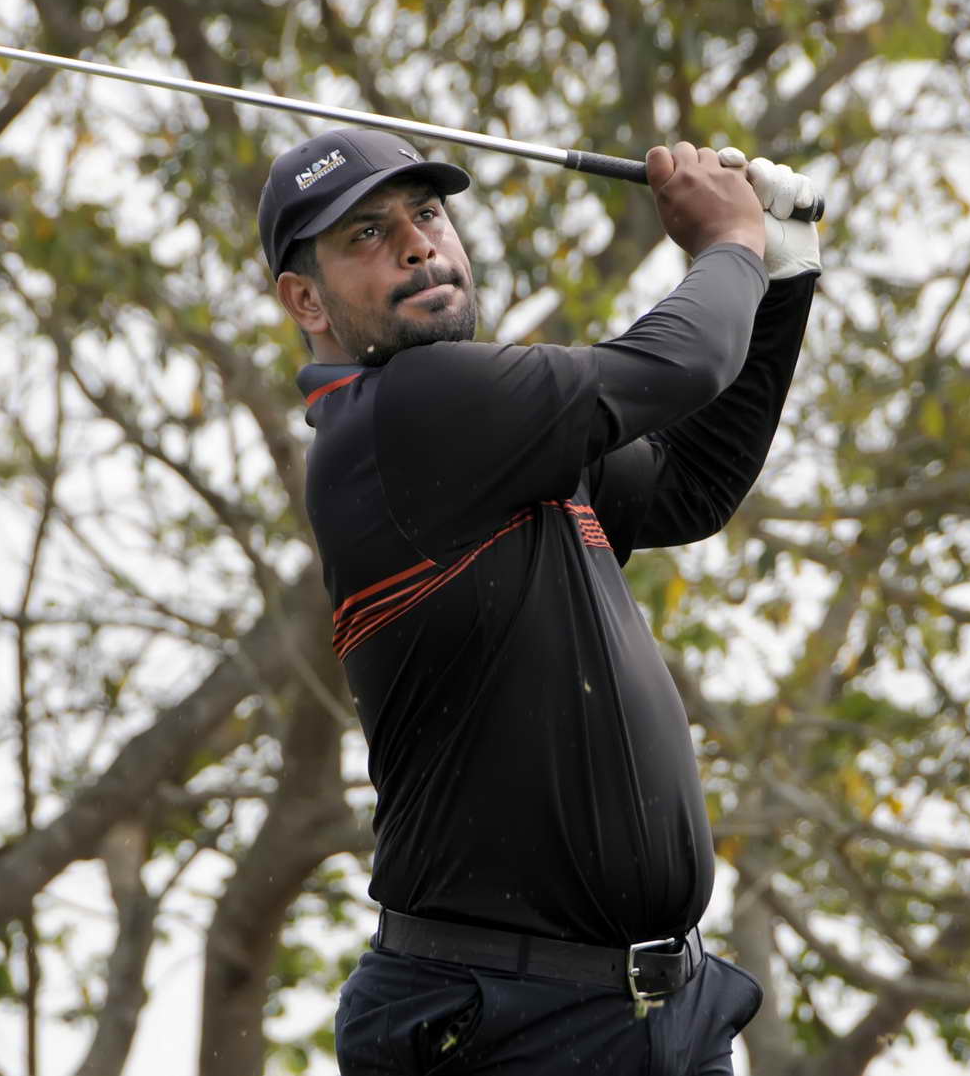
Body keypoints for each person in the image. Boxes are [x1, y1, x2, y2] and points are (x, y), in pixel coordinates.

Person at [257, 125, 820, 1074]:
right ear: (305, 299)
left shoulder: (496, 444)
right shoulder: (401, 412)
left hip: (656, 1013)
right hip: (502, 1021)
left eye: (427, 214)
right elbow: (679, 364)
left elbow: (694, 482)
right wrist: (731, 243)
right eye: (368, 234)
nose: (418, 245)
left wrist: (783, 278)